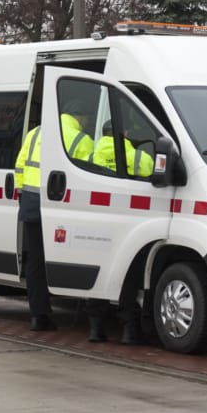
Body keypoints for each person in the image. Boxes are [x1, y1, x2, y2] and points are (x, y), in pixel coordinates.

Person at [12, 99, 93, 331]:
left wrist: (22, 194)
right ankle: (85, 314)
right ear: (81, 118)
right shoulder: (81, 139)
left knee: (35, 263)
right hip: (62, 208)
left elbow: (19, 165)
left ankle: (38, 316)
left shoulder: (35, 133)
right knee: (71, 258)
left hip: (31, 205)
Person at [84, 121, 151, 344]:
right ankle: (128, 330)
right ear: (127, 134)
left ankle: (95, 328)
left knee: (99, 275)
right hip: (128, 223)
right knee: (128, 278)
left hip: (98, 222)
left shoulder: (91, 155)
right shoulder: (139, 157)